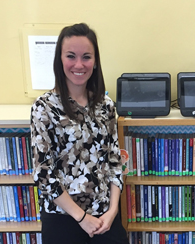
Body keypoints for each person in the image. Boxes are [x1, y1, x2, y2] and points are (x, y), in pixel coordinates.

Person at [30, 23, 128, 244]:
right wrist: (82, 218)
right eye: (71, 56)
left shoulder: (106, 105)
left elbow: (114, 162)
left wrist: (112, 212)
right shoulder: (44, 107)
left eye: (86, 57)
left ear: (95, 62)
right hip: (64, 218)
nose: (79, 64)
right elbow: (44, 174)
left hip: (105, 216)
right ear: (60, 60)